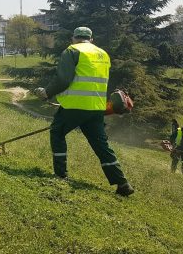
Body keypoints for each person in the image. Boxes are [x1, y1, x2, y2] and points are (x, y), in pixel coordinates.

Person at [34, 27, 134, 197]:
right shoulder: (103, 54)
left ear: (73, 38)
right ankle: (122, 183)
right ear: (91, 39)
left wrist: (46, 92)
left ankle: (61, 175)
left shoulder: (72, 51)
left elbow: (63, 79)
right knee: (101, 145)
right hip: (96, 108)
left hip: (74, 106)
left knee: (57, 132)